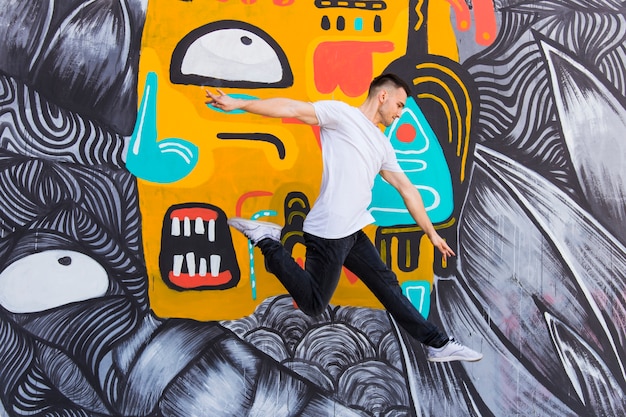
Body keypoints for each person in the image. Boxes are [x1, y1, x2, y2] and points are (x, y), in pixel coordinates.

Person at [205, 74, 482, 362]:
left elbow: (407, 189)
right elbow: (291, 109)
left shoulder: (381, 143)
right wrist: (238, 103)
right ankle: (267, 241)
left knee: (389, 291)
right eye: (399, 105)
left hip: (352, 231)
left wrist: (432, 233)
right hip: (329, 231)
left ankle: (437, 343)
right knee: (313, 303)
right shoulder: (341, 115)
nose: (400, 113)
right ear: (382, 97)